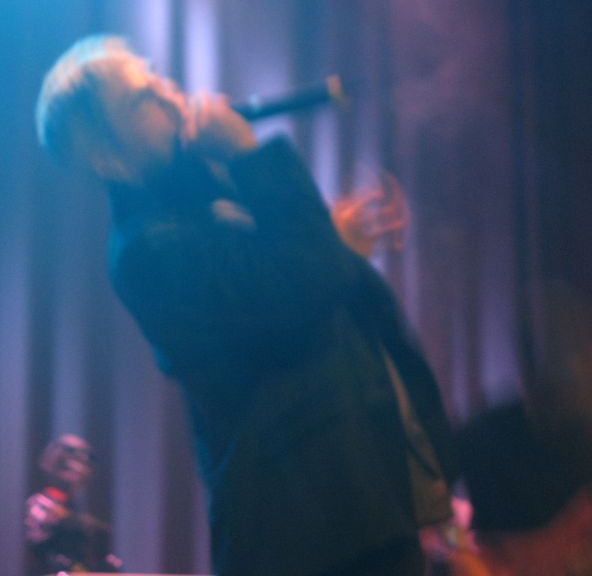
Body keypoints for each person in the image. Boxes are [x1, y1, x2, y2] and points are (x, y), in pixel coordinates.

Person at [35, 35, 457, 576]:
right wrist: (250, 154)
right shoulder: (146, 248)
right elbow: (300, 285)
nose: (169, 95)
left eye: (158, 77)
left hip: (361, 507)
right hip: (307, 534)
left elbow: (307, 280)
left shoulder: (204, 192)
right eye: (142, 99)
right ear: (105, 156)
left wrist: (333, 241)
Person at [24, 434, 121, 573]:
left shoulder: (80, 506)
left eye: (86, 457)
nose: (82, 460)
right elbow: (42, 549)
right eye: (71, 453)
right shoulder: (41, 504)